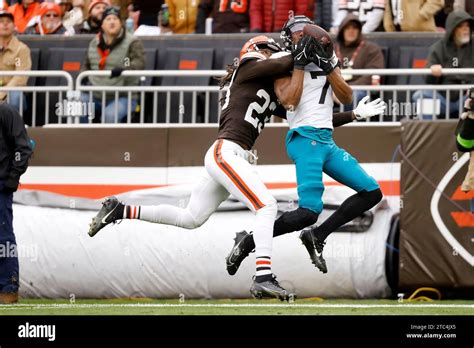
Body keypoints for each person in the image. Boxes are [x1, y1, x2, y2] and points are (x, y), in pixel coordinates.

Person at [88, 35, 317, 300]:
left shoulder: (260, 80)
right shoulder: (248, 68)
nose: (273, 55)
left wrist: (353, 114)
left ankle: (120, 210)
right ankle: (263, 276)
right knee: (266, 205)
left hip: (229, 155)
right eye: (269, 51)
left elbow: (303, 113)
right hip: (226, 152)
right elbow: (282, 63)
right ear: (256, 51)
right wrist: (301, 53)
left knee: (191, 218)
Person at [225, 16, 384, 275]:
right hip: (304, 140)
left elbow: (345, 95)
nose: (302, 36)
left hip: (326, 141)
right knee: (309, 211)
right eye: (296, 33)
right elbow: (290, 102)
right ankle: (248, 241)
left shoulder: (328, 58)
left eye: (304, 31)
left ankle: (317, 236)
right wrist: (299, 64)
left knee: (371, 193)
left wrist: (328, 66)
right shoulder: (283, 64)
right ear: (288, 38)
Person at [80, 6, 145, 123]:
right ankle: (81, 140)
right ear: (102, 25)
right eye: (108, 19)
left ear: (121, 23)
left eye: (115, 19)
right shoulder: (94, 42)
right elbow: (86, 65)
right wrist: (83, 78)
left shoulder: (132, 42)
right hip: (95, 94)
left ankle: (107, 142)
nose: (112, 22)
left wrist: (124, 69)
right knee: (75, 107)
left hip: (123, 96)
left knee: (109, 115)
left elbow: (139, 62)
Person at [412, 10, 474, 119]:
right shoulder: (438, 47)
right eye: (461, 26)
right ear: (452, 29)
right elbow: (428, 79)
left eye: (467, 26)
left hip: (468, 97)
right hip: (444, 98)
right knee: (422, 96)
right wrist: (433, 72)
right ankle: (428, 133)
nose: (466, 29)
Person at [0, 104, 33, 304]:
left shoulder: (7, 113)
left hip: (1, 187)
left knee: (3, 238)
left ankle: (9, 288)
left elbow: (24, 147)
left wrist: (12, 178)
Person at [335, 14, 384, 109]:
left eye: (355, 28)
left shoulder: (371, 49)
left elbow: (373, 74)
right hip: (334, 89)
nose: (351, 31)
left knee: (353, 97)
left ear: (359, 31)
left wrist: (346, 90)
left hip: (358, 89)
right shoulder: (331, 49)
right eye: (347, 28)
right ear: (342, 31)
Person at [0, 10, 31, 112]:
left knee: (15, 96)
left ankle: (13, 127)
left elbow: (20, 76)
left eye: (8, 21)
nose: (5, 24)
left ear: (14, 26)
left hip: (11, 91)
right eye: (1, 21)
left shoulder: (21, 49)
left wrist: (3, 92)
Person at [249, 0, 314, 33]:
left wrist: (292, 29)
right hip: (264, 33)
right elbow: (255, 9)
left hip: (288, 34)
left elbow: (302, 10)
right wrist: (256, 28)